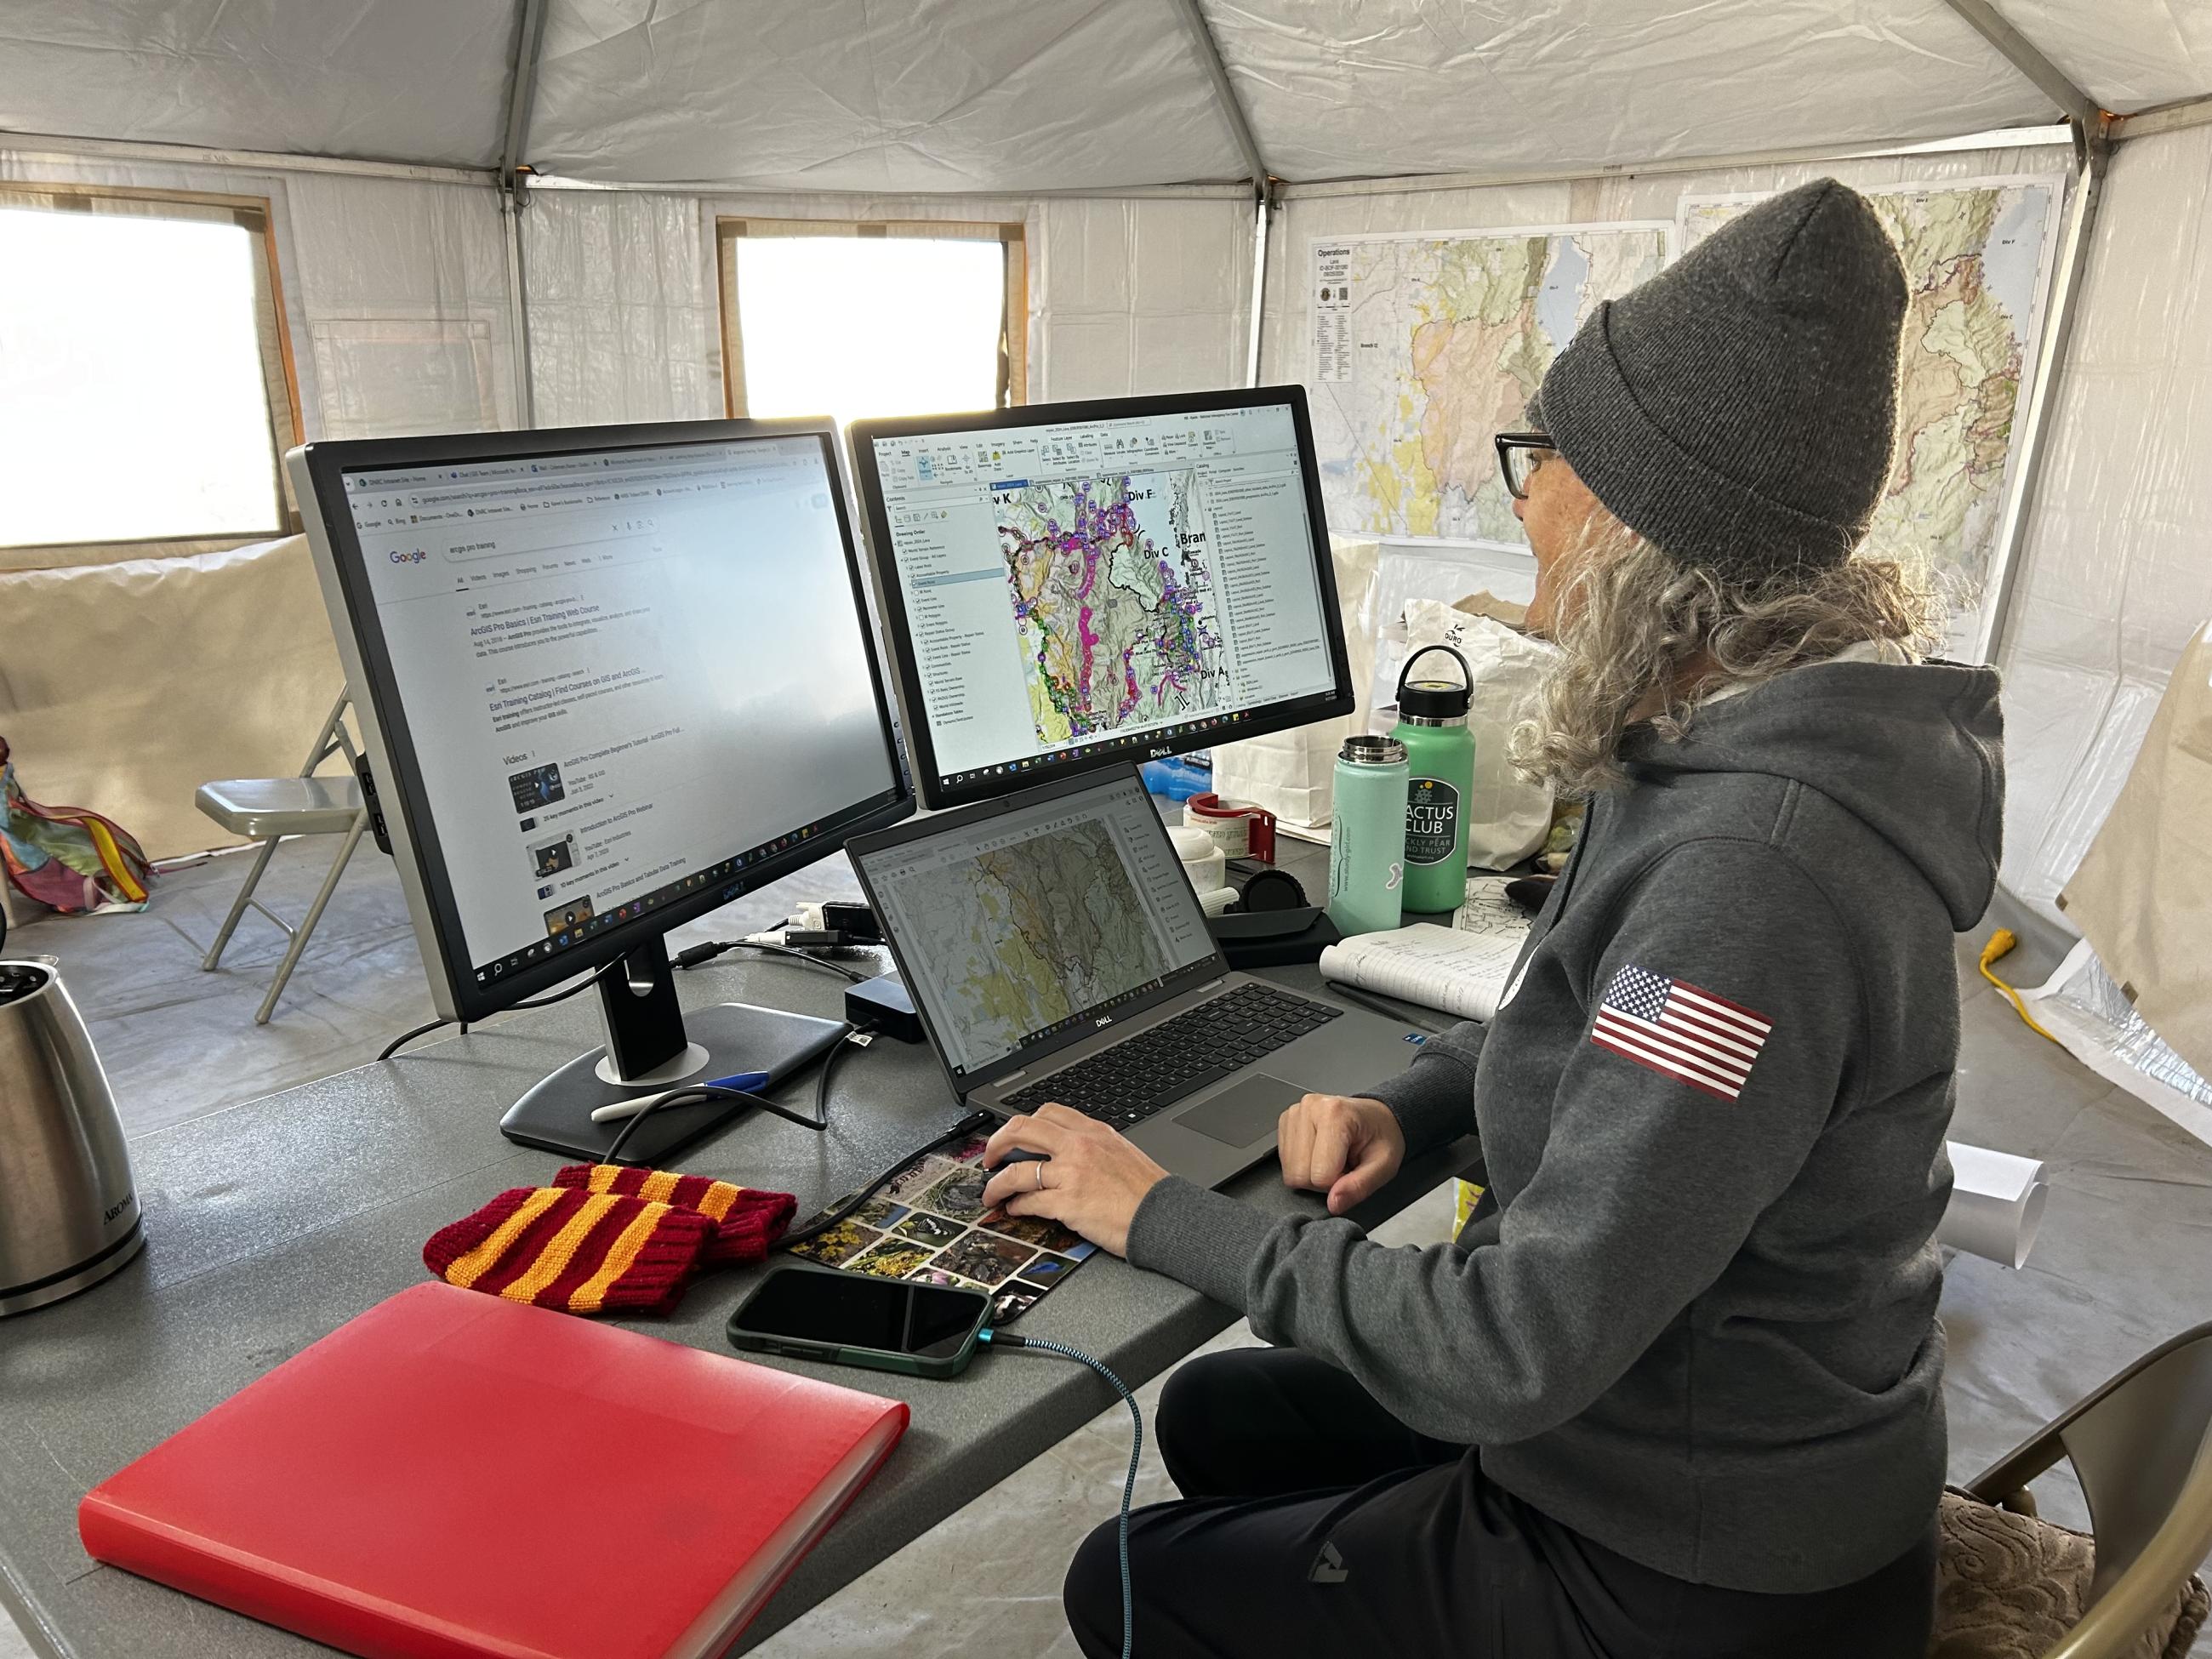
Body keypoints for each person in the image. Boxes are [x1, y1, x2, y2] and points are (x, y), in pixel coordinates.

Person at [978, 176, 2003, 1657]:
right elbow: (1597, 1044)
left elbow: (1515, 1349)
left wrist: (1157, 1211)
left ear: (1647, 531)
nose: (1521, 497)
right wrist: (1418, 1106)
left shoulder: (1755, 875)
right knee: (1215, 1402)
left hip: (1695, 1566)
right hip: (1662, 1433)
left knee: (1125, 1582)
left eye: (1550, 459)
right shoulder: (1738, 736)